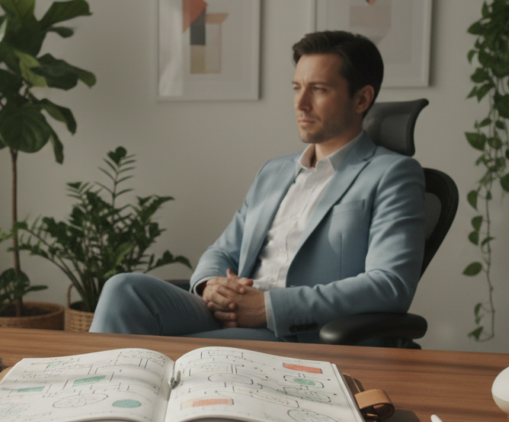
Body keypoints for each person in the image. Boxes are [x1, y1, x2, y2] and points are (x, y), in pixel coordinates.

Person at [89, 31, 425, 344]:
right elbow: (222, 251)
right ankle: (92, 400)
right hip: (231, 312)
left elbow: (389, 285)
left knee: (181, 357)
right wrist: (211, 286)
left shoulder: (392, 174)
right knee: (123, 288)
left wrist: (269, 307)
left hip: (295, 332)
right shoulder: (274, 172)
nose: (301, 103)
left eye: (319, 89)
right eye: (297, 88)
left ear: (362, 99)